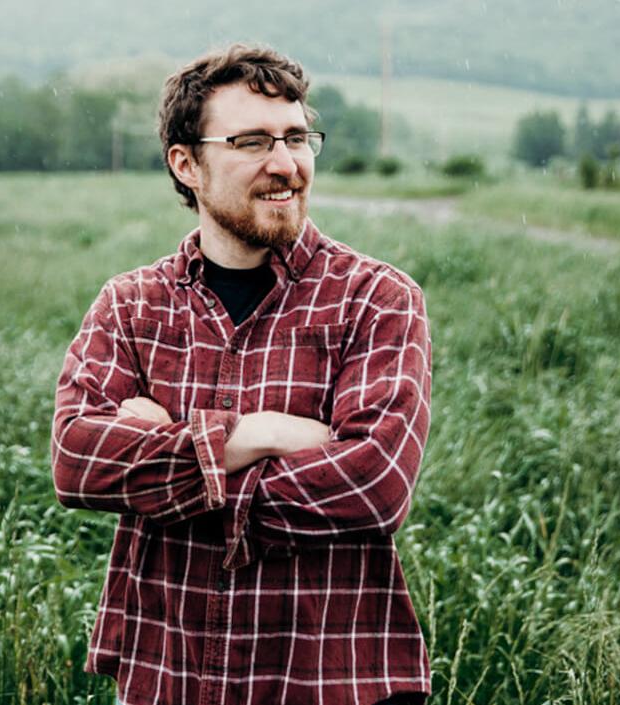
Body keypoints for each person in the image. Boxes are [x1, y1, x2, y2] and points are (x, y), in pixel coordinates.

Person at [50, 44, 432, 705]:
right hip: (170, 678)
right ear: (186, 163)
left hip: (327, 680)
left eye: (296, 138)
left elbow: (374, 486)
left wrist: (172, 457)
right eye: (252, 141)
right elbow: (76, 461)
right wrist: (255, 435)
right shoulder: (132, 304)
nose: (286, 164)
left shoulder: (377, 298)